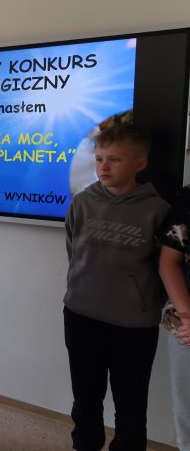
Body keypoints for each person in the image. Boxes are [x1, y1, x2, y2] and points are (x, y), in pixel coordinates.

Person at [63, 122, 169, 451]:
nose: (104, 167)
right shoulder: (81, 203)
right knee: (85, 399)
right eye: (99, 159)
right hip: (81, 315)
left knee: (131, 405)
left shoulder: (158, 210)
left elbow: (165, 269)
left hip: (133, 325)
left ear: (140, 163)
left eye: (114, 160)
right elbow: (73, 250)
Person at [158, 187, 190, 451]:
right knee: (186, 416)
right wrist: (187, 316)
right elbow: (169, 262)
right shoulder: (187, 198)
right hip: (185, 324)